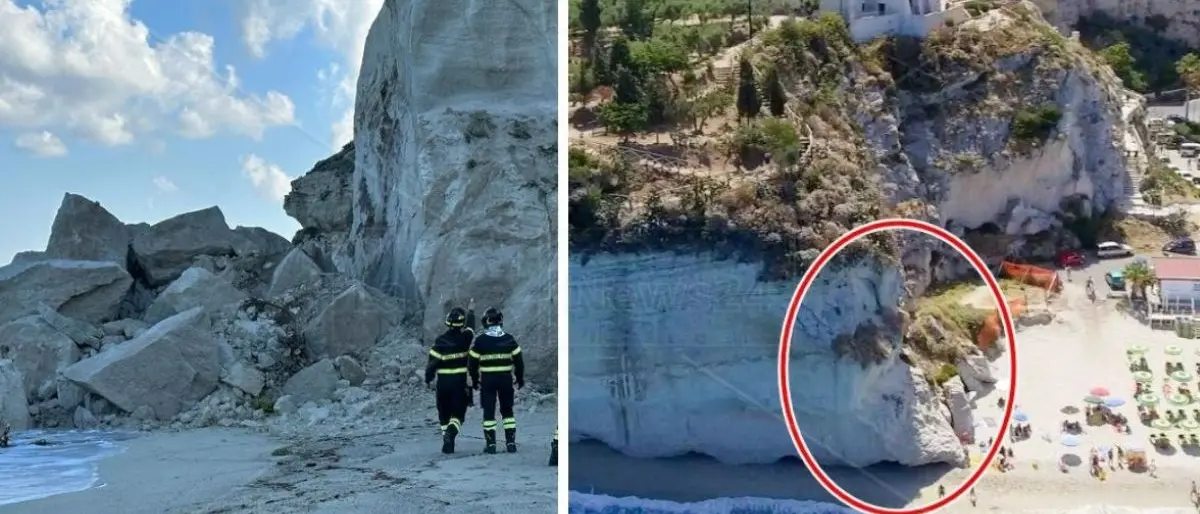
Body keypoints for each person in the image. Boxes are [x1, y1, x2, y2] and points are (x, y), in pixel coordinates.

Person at [469, 307, 524, 454]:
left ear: (486, 321)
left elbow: (472, 363)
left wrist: (474, 380)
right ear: (501, 321)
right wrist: (520, 378)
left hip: (488, 380)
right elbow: (519, 361)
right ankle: (511, 443)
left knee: (488, 412)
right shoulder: (509, 339)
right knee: (507, 410)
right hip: (505, 379)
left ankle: (491, 445)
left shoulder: (480, 341)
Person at [425, 301, 477, 454]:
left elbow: (431, 364)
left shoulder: (439, 342)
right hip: (459, 383)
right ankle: (451, 435)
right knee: (458, 414)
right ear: (462, 323)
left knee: (444, 414)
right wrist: (471, 311)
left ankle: (448, 441)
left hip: (443, 383)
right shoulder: (465, 338)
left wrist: (428, 379)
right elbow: (472, 328)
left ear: (447, 322)